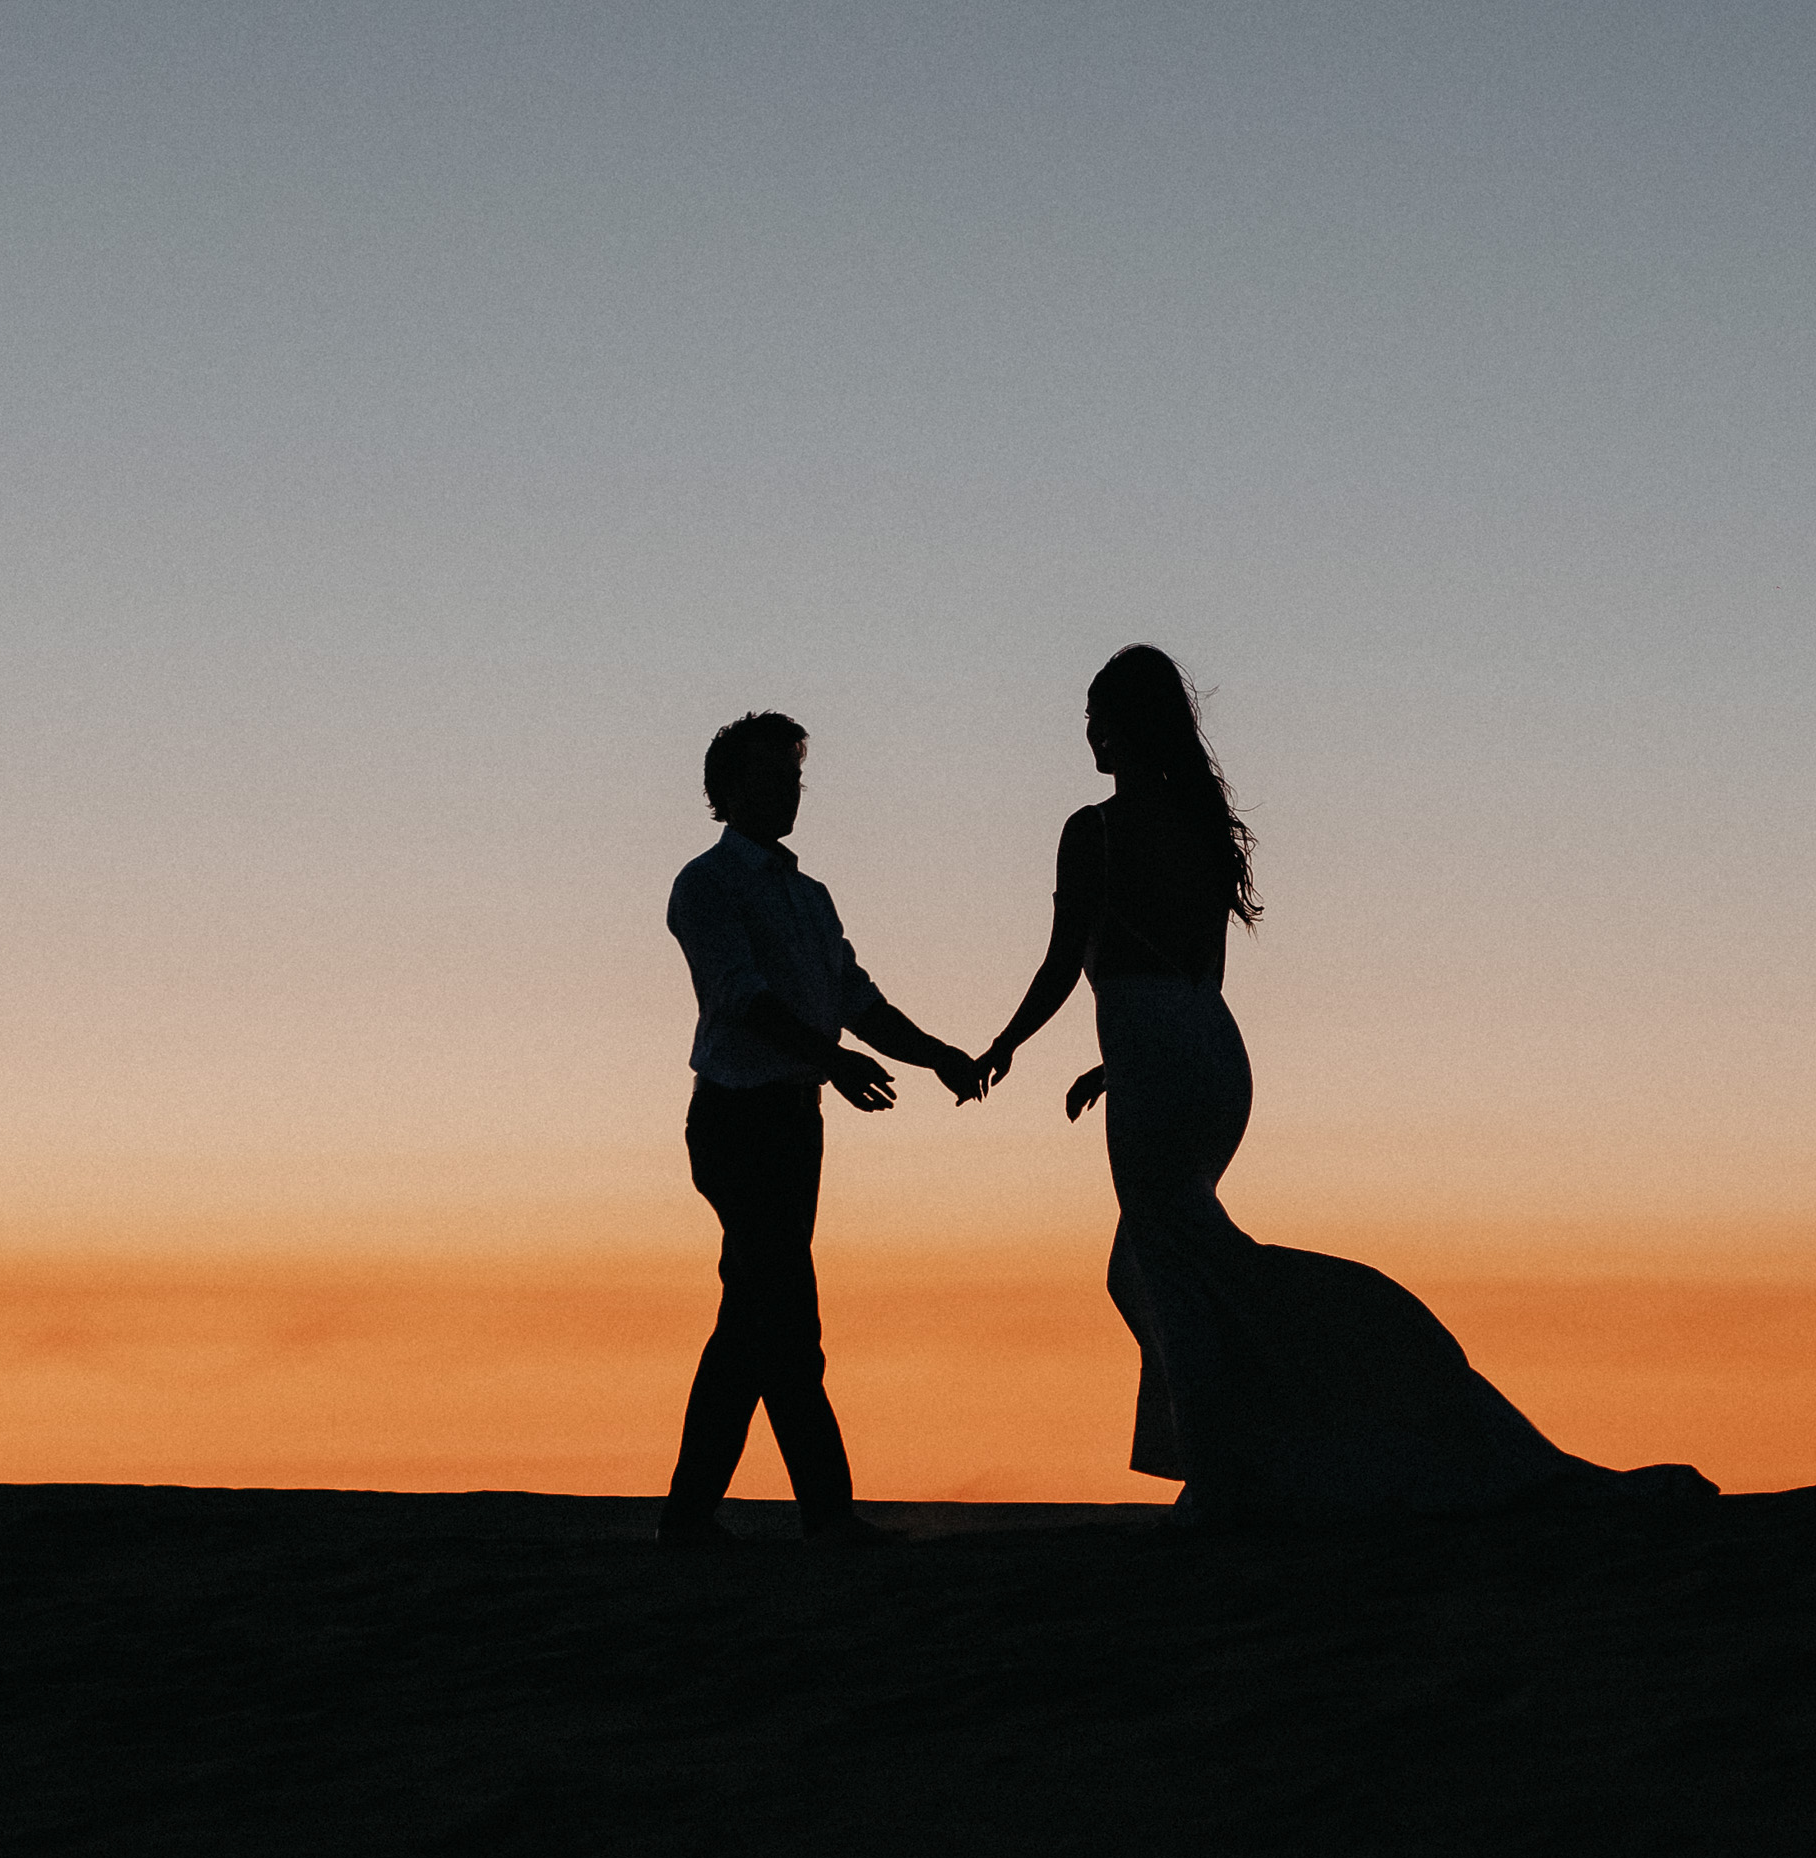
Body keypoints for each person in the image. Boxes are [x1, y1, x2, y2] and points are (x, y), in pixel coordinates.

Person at [973, 646, 1715, 1521]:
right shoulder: (1198, 824)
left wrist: (1005, 1044)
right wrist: (1125, 1058)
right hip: (1209, 1054)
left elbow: (1067, 961)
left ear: (1129, 724)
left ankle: (1231, 1468)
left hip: (1160, 1056)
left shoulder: (1092, 830)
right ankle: (1243, 1450)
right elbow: (1189, 972)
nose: (1088, 733)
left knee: (1174, 1264)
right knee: (1148, 1258)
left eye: (1098, 715)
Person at [660, 709, 989, 1547]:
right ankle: (826, 1514)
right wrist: (831, 1062)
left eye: (794, 777)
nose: (788, 791)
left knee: (754, 1322)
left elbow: (855, 1000)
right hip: (737, 1118)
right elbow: (740, 996)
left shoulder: (810, 898)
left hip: (791, 1122)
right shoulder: (705, 885)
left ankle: (694, 1519)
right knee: (782, 1318)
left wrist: (938, 1055)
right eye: (770, 777)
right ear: (726, 791)